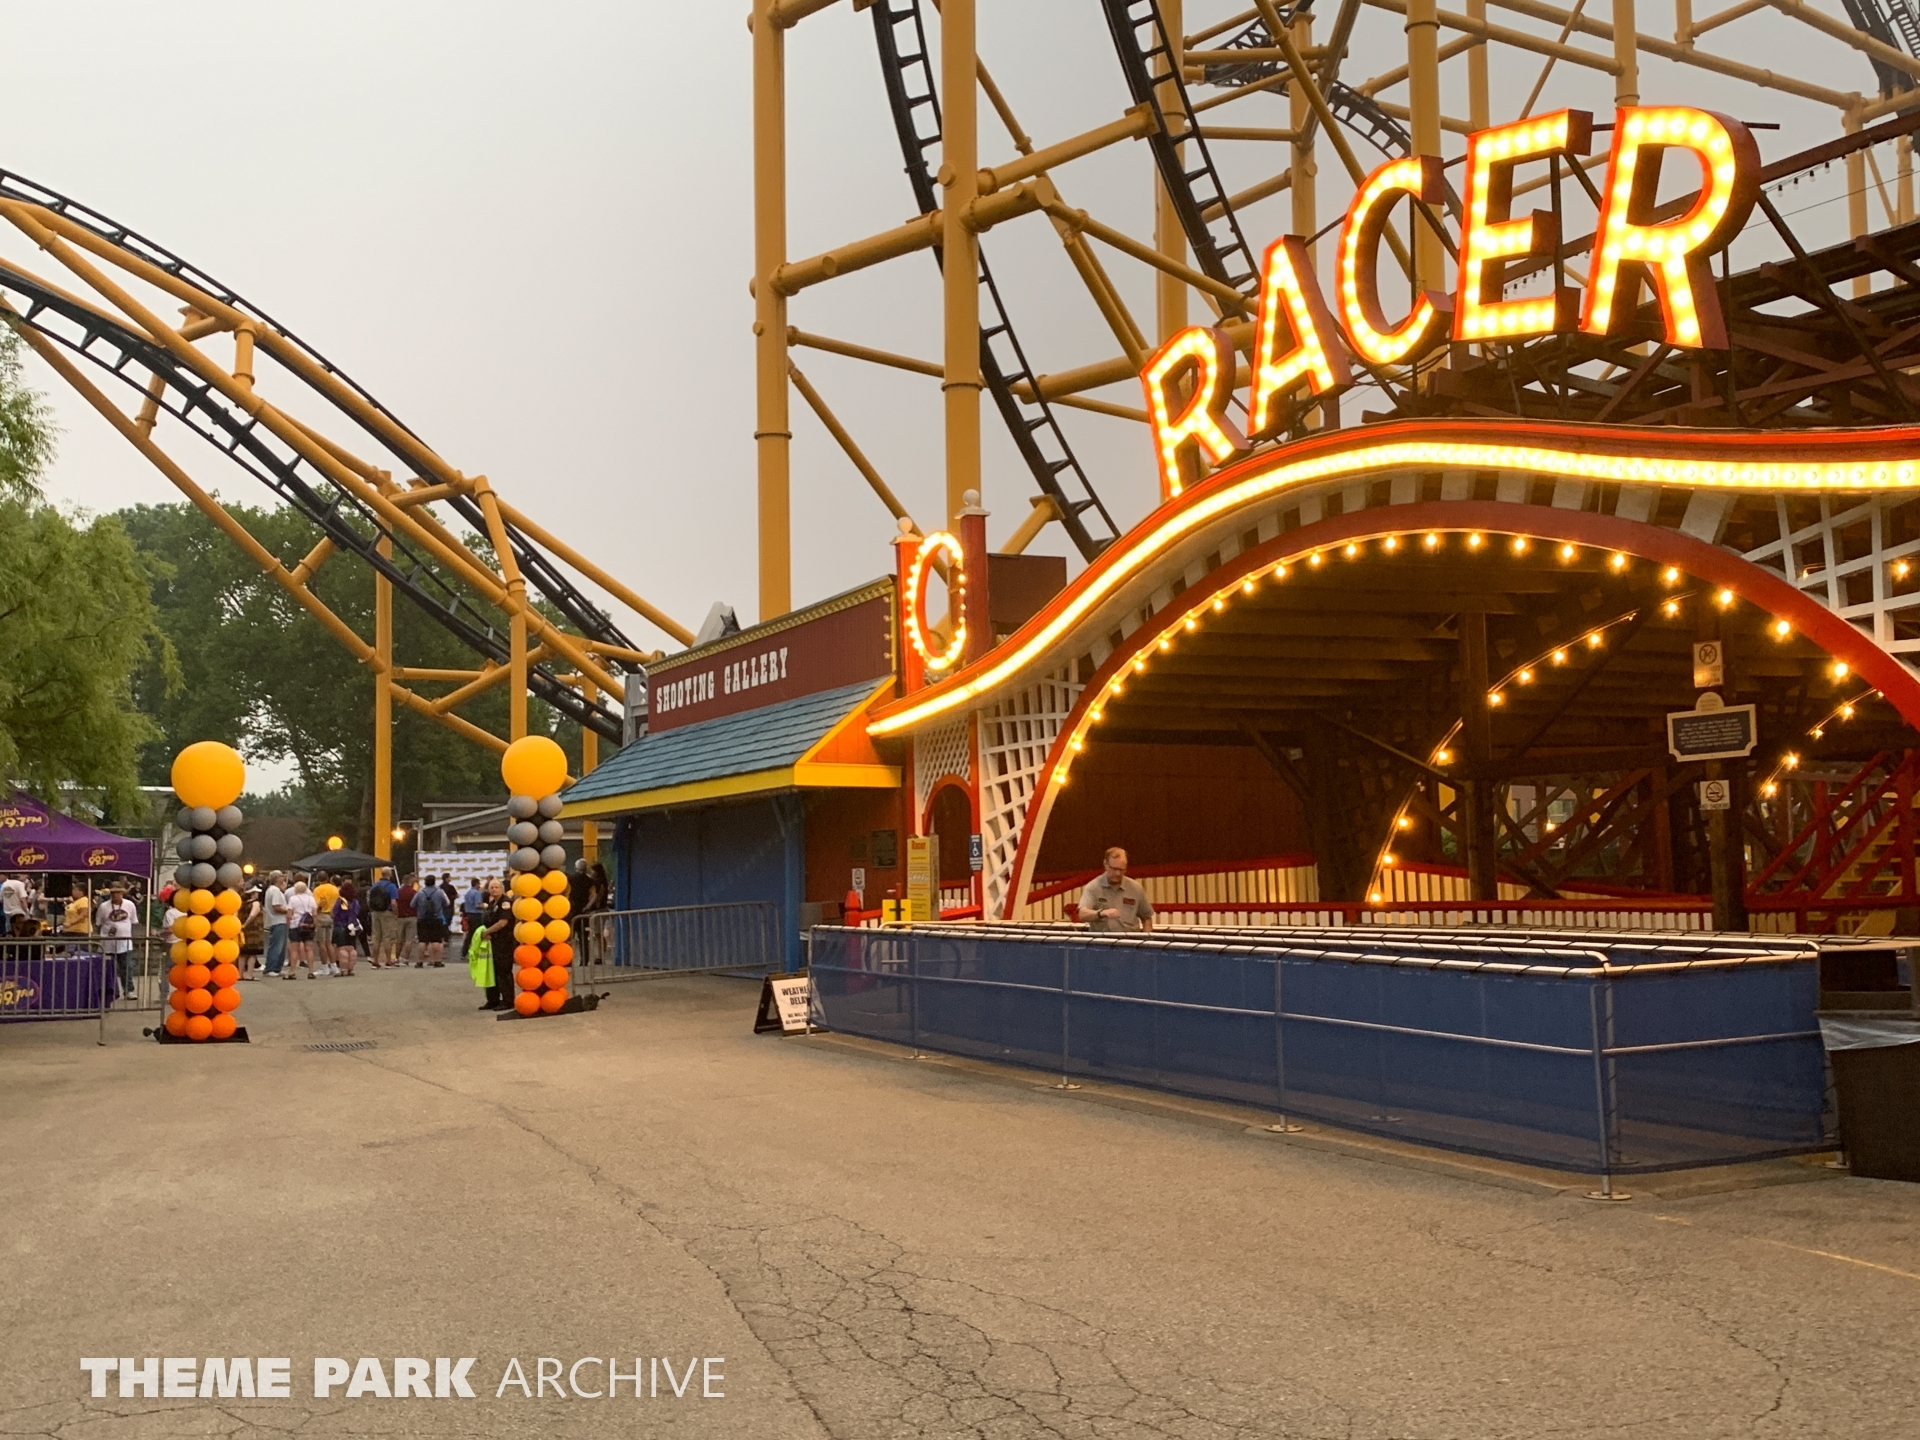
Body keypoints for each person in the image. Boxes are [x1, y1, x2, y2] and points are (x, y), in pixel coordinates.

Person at [1078, 847, 1154, 934]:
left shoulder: (1136, 888)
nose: (1118, 873)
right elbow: (1082, 914)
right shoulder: (1093, 887)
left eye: (1122, 870)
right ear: (1105, 864)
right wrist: (1101, 913)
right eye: (1114, 869)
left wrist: (1146, 938)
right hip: (1102, 940)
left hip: (1130, 940)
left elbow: (1147, 918)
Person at [95, 883, 139, 1002]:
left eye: (118, 892)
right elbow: (98, 923)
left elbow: (133, 921)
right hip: (107, 943)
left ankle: (129, 990)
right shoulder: (103, 906)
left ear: (122, 893)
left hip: (125, 942)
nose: (116, 895)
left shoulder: (130, 905)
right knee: (107, 969)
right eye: (113, 892)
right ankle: (108, 991)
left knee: (127, 967)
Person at [479, 877, 514, 1011]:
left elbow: (503, 922)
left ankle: (507, 1001)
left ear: (502, 889)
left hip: (504, 942)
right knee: (491, 971)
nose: (494, 889)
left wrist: (487, 932)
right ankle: (492, 1000)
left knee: (503, 972)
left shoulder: (505, 902)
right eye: (491, 887)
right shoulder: (492, 902)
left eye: (496, 887)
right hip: (492, 941)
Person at [367, 867, 400, 967]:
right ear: (390, 874)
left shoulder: (374, 885)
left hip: (375, 912)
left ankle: (375, 960)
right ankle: (388, 960)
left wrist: (372, 910)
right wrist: (395, 913)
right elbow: (393, 902)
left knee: (376, 937)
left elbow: (368, 900)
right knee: (387, 937)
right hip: (387, 913)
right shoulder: (391, 886)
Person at [415, 874, 448, 966]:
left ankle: (420, 962)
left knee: (422, 941)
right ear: (434, 882)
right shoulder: (439, 892)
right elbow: (446, 903)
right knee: (436, 940)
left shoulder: (420, 892)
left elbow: (412, 904)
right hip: (436, 919)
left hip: (422, 919)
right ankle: (437, 961)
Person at [287, 879, 318, 978]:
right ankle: (311, 971)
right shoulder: (311, 899)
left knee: (294, 950)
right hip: (308, 926)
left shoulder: (292, 899)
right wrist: (314, 925)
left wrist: (288, 925)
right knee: (309, 949)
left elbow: (289, 915)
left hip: (295, 925)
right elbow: (315, 914)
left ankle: (292, 972)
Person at [332, 880, 363, 976]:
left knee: (342, 949)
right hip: (353, 927)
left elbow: (334, 913)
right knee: (352, 948)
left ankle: (343, 969)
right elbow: (357, 912)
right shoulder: (356, 902)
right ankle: (351, 969)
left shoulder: (340, 901)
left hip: (341, 926)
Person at [262, 871, 289, 977]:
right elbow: (276, 906)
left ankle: (277, 968)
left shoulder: (272, 890)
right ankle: (271, 968)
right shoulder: (275, 890)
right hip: (278, 920)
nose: (283, 878)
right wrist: (288, 911)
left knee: (281, 946)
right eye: (282, 876)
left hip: (277, 921)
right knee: (277, 945)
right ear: (277, 878)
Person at [239, 883, 265, 980]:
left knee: (243, 953)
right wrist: (246, 924)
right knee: (252, 953)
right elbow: (253, 915)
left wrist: (242, 925)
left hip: (243, 930)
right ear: (253, 893)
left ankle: (240, 974)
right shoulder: (256, 903)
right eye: (256, 892)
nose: (258, 894)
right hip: (254, 930)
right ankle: (249, 974)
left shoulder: (242, 903)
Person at [396, 872, 419, 965]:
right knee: (409, 940)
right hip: (412, 917)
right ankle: (406, 959)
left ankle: (396, 958)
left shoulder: (398, 892)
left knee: (399, 940)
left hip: (400, 917)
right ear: (410, 881)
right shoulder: (414, 893)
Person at [1, 872, 31, 937]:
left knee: (9, 933)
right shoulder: (19, 884)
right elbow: (22, 899)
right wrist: (26, 910)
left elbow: (1, 900)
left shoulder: (4, 884)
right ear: (19, 876)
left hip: (7, 912)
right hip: (19, 913)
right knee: (22, 932)